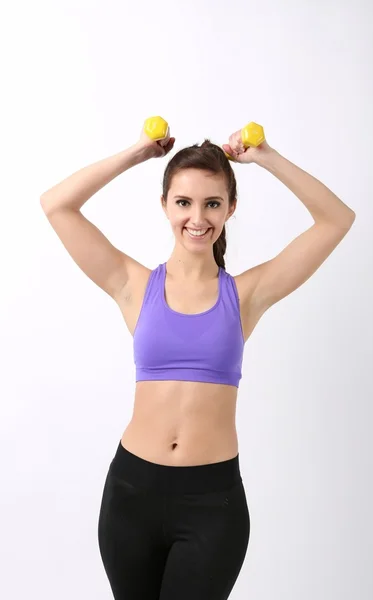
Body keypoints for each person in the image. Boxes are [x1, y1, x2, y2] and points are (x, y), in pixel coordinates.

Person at [40, 121, 356, 600]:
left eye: (212, 203)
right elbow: (56, 204)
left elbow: (336, 219)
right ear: (165, 205)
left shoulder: (246, 295)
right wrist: (139, 154)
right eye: (183, 202)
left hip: (213, 504)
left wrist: (265, 157)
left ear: (230, 208)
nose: (197, 217)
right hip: (131, 494)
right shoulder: (134, 286)